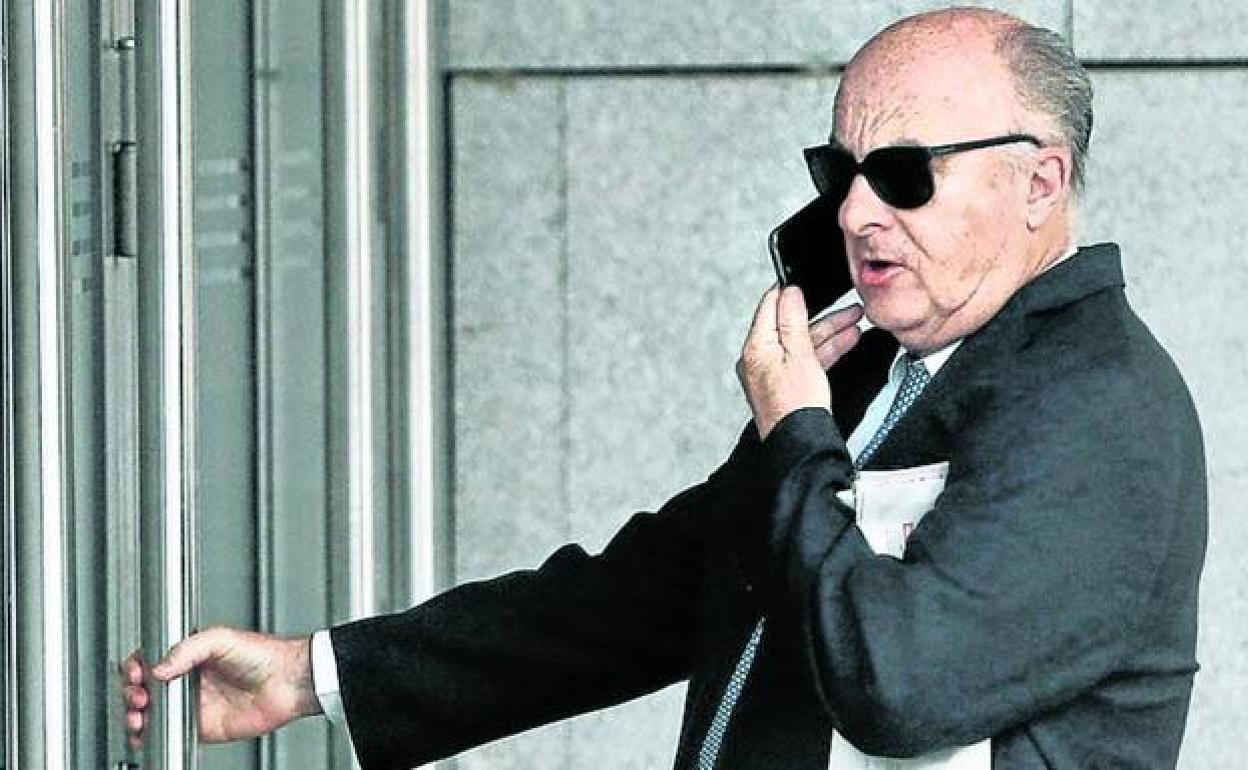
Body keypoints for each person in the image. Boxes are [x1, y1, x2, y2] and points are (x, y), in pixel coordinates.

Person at [123, 7, 1207, 769]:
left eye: (904, 174)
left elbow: (903, 683)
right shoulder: (882, 369)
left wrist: (798, 434)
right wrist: (314, 675)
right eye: (840, 174)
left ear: (1039, 182)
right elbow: (642, 598)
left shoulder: (1097, 404)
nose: (856, 213)